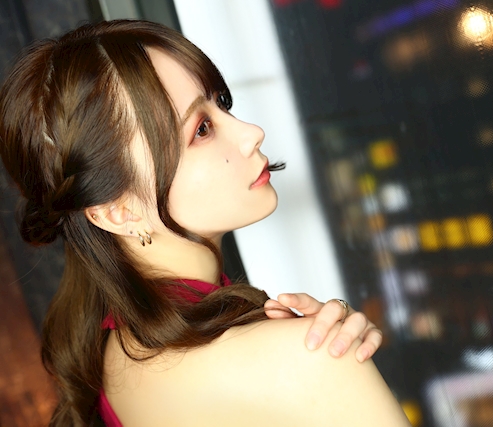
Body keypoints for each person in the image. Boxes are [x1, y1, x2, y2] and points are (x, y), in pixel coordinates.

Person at [0, 19, 411, 426]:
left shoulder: (115, 350)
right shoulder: (310, 359)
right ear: (118, 212)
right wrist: (321, 359)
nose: (252, 133)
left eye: (222, 103)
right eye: (201, 129)